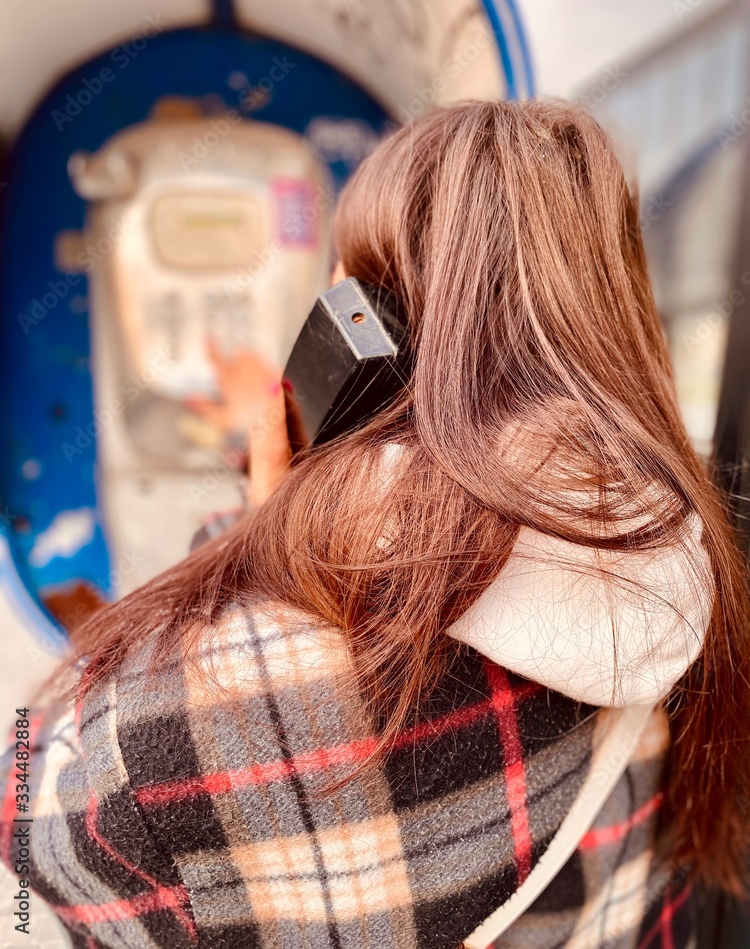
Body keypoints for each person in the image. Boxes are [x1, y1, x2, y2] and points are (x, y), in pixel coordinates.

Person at [2, 99, 749, 949]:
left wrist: (264, 532)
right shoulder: (696, 594)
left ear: (368, 330)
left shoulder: (171, 736)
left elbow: (31, 810)